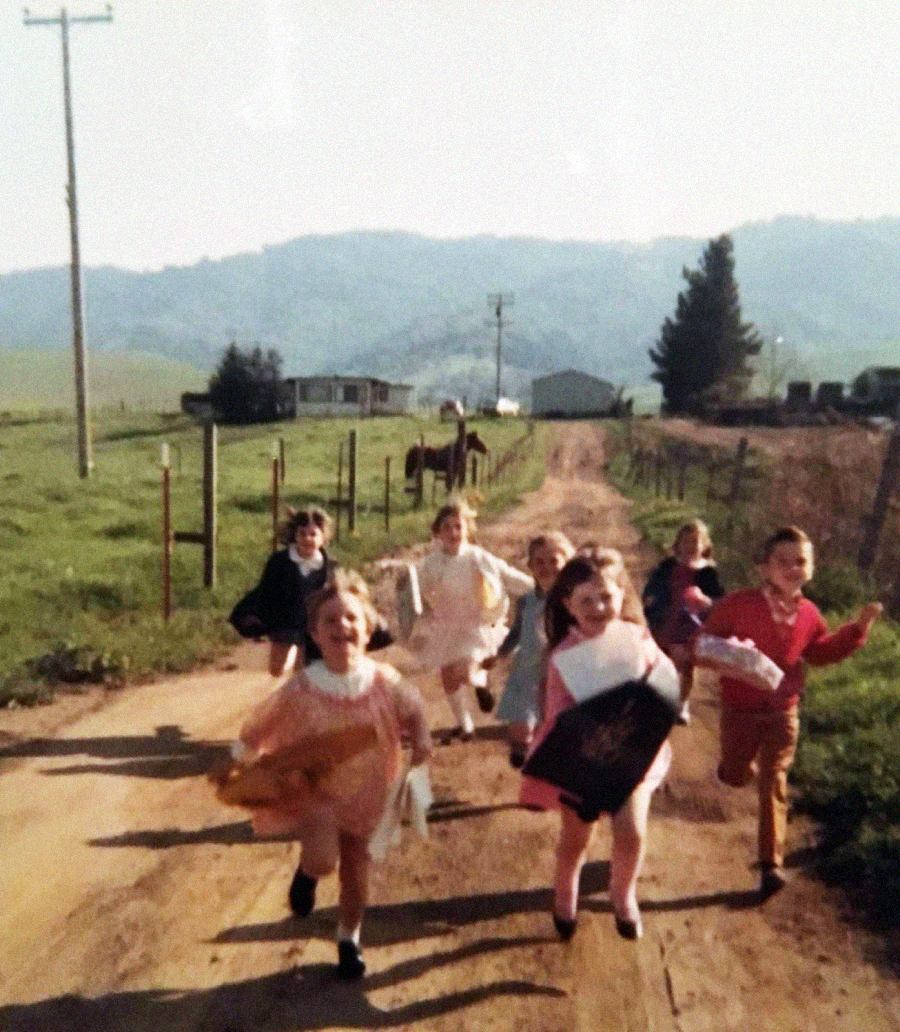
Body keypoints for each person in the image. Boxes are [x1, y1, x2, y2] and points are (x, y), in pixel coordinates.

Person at [217, 569, 431, 979]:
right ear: (314, 634)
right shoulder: (303, 688)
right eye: (330, 620)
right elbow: (263, 723)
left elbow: (414, 709)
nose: (341, 627)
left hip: (371, 792)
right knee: (323, 861)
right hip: (318, 795)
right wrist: (238, 756)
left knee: (357, 869)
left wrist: (421, 737)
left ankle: (349, 937)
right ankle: (308, 871)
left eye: (351, 618)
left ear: (367, 630)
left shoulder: (384, 681)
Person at [699, 525, 881, 898]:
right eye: (782, 561)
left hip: (784, 710)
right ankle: (732, 769)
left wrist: (856, 631)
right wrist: (715, 650)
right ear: (764, 568)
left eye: (801, 561)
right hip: (740, 708)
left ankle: (771, 865)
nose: (792, 568)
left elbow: (818, 653)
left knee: (774, 781)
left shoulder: (811, 614)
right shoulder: (738, 604)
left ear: (811, 568)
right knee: (736, 774)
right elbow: (706, 640)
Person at [521, 547, 678, 941]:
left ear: (622, 597)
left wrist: (659, 691)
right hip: (582, 761)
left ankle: (623, 896)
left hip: (634, 755)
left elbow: (664, 678)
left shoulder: (638, 637)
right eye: (586, 600)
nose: (598, 607)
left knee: (632, 831)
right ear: (569, 606)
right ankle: (564, 895)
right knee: (577, 837)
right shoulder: (565, 656)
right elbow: (556, 713)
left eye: (606, 597)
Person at [413, 498, 533, 741]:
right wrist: (421, 615)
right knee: (448, 675)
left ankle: (480, 685)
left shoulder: (479, 557)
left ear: (467, 528)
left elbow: (507, 575)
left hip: (476, 625)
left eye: (458, 526)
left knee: (465, 672)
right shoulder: (431, 563)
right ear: (438, 533)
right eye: (446, 527)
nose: (453, 532)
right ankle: (465, 725)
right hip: (447, 624)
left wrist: (538, 587)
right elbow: (419, 593)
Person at [483, 531, 574, 768]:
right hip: (526, 672)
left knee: (549, 722)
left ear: (566, 562)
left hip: (558, 673)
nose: (546, 568)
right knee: (519, 723)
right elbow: (517, 632)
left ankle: (542, 765)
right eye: (539, 562)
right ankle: (521, 748)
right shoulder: (527, 600)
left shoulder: (572, 601)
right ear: (531, 566)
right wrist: (500, 653)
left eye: (554, 561)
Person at [229, 506, 335, 676]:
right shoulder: (280, 561)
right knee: (276, 668)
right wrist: (257, 617)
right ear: (294, 536)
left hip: (312, 626)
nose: (307, 539)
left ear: (323, 538)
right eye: (302, 534)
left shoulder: (329, 567)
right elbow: (266, 591)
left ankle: (295, 696)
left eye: (313, 534)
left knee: (304, 670)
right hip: (285, 621)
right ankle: (283, 678)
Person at [641, 519, 725, 719]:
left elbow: (720, 600)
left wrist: (706, 601)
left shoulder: (708, 573)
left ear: (705, 545)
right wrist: (649, 599)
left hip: (692, 627)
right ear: (677, 544)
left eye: (696, 541)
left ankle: (682, 703)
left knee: (687, 666)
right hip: (665, 621)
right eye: (686, 541)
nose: (691, 546)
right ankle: (659, 698)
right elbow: (652, 588)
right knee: (661, 661)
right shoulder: (667, 566)